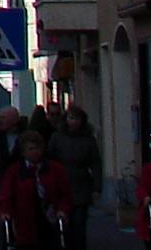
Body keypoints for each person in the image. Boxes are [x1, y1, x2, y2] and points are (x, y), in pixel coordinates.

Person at [0, 129, 71, 250]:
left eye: (38, 148)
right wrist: (5, 211)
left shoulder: (55, 169)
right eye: (31, 149)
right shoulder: (14, 171)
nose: (35, 152)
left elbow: (65, 193)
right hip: (25, 221)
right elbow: (6, 195)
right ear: (23, 152)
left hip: (50, 220)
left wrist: (63, 210)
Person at [48, 106, 103, 250]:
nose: (74, 122)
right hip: (60, 185)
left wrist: (97, 187)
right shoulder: (57, 137)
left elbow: (96, 164)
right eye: (71, 118)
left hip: (81, 185)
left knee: (79, 224)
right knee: (63, 223)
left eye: (77, 119)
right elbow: (49, 159)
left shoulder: (88, 140)